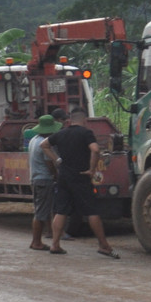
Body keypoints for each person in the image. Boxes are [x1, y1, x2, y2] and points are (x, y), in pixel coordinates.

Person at [42, 107, 119, 258]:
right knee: (91, 211)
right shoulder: (86, 133)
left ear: (70, 120)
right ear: (85, 120)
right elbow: (95, 150)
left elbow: (44, 145)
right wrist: (91, 169)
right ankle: (104, 245)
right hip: (81, 176)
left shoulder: (61, 133)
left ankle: (55, 244)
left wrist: (57, 160)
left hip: (64, 176)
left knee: (61, 210)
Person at [26, 114, 62, 250]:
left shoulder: (33, 140)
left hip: (35, 178)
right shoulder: (44, 144)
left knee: (41, 210)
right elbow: (50, 164)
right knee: (41, 213)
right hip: (44, 179)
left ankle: (39, 240)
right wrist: (56, 175)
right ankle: (36, 242)